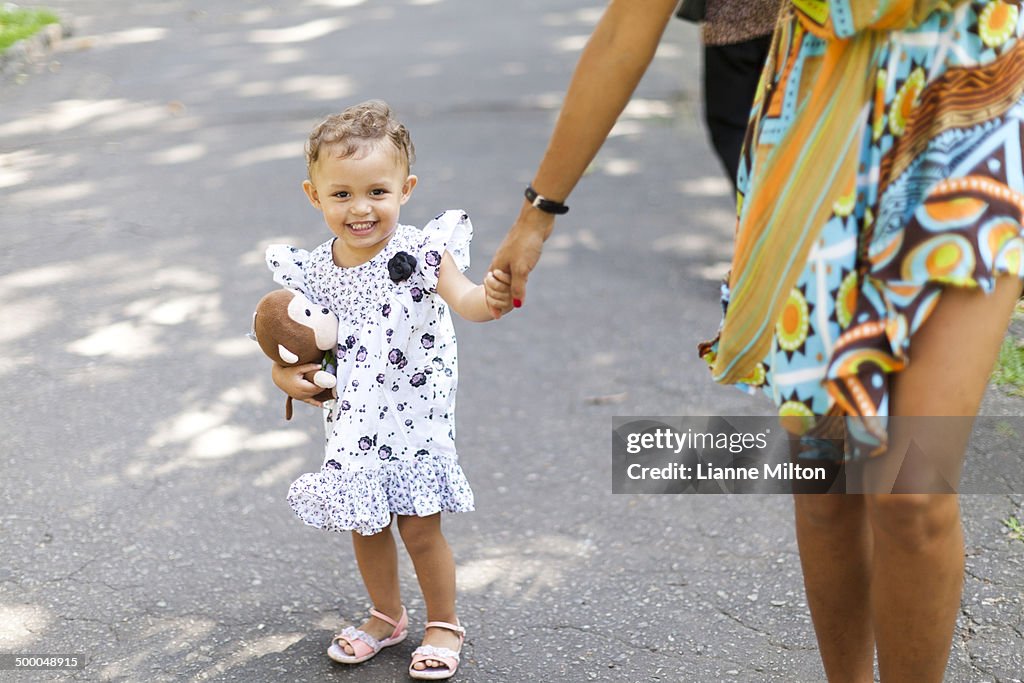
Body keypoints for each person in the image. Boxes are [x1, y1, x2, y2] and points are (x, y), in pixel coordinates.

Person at [486, 1, 1024, 681]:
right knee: (828, 481)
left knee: (909, 490)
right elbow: (629, 28)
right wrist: (537, 214)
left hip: (973, 102)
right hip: (815, 134)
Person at [268, 100, 510, 680]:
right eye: (342, 194)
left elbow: (468, 301)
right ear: (314, 195)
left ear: (406, 189)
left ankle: (444, 623)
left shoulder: (424, 251)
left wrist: (492, 297)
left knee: (420, 527)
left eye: (378, 191)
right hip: (352, 421)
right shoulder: (314, 270)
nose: (360, 208)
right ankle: (386, 614)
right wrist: (283, 376)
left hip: (416, 417)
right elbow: (297, 345)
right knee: (367, 522)